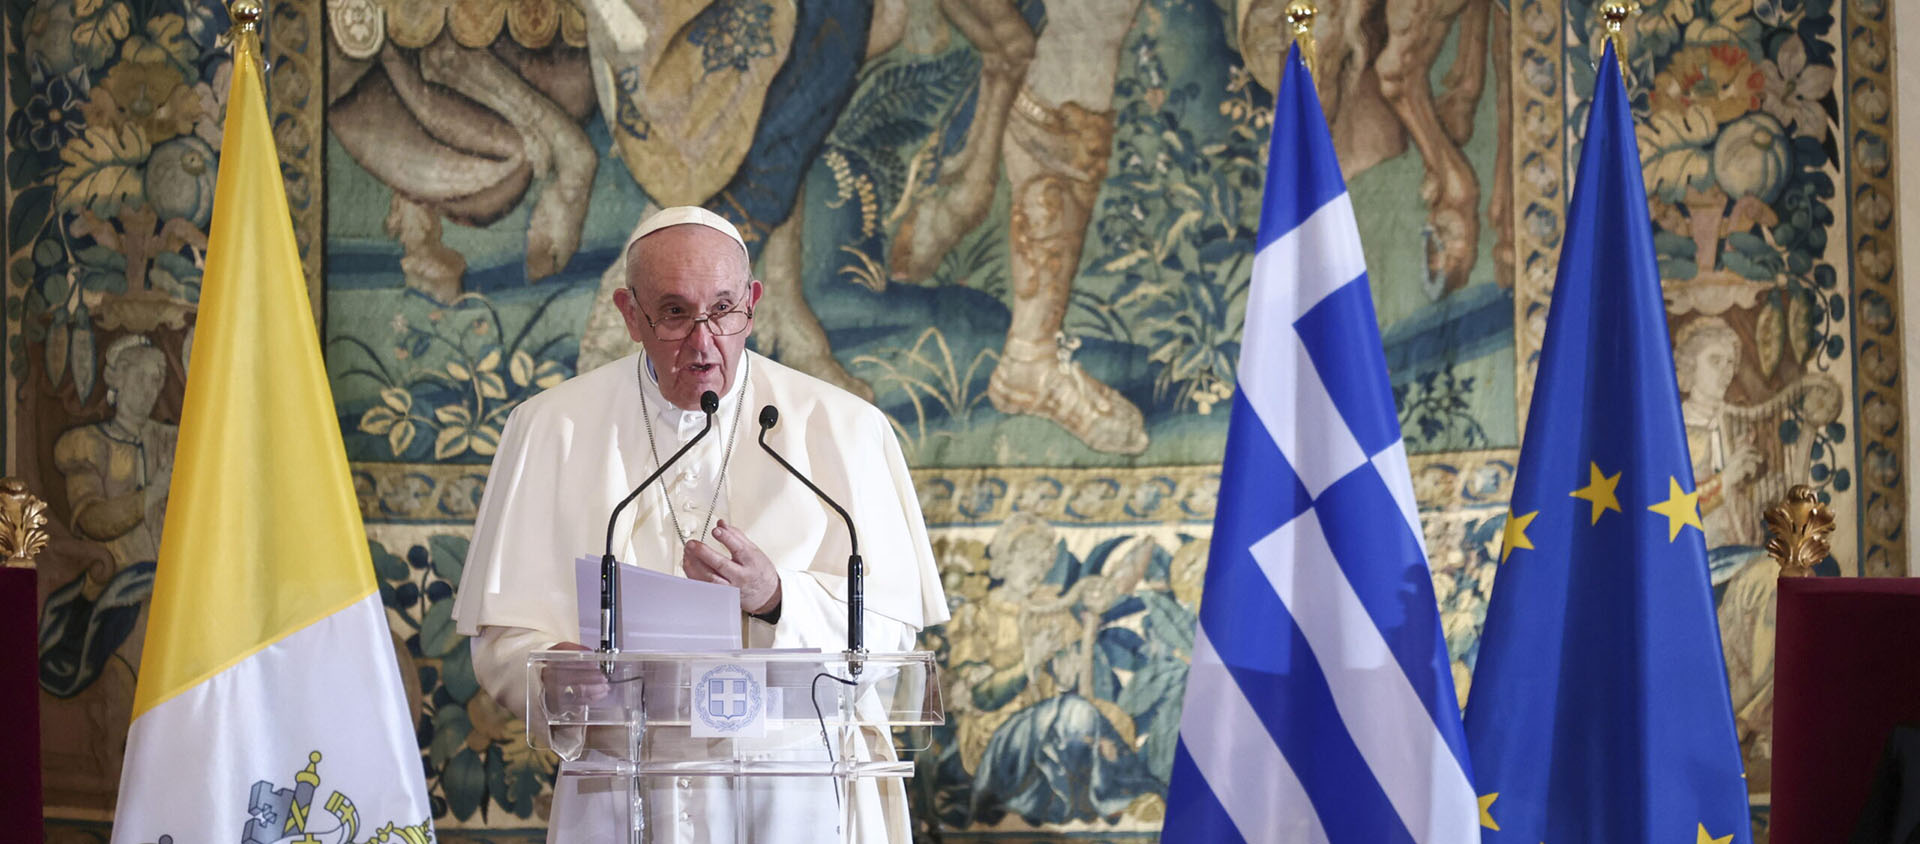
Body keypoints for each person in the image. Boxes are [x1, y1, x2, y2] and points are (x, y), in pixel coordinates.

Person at [452, 206, 949, 842]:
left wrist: (776, 599)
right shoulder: (551, 428)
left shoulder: (846, 429)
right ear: (631, 315)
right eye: (676, 312)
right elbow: (500, 643)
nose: (704, 340)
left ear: (754, 303)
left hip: (796, 793)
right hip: (628, 789)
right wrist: (559, 673)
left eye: (724, 310)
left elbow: (892, 636)